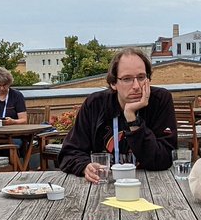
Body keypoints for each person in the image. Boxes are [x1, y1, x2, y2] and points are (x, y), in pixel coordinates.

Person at [57, 48, 177, 180]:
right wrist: (85, 166)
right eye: (127, 79)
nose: (136, 86)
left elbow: (164, 159)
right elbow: (68, 153)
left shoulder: (160, 100)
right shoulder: (95, 104)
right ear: (113, 83)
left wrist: (132, 119)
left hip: (152, 183)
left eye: (141, 77)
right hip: (104, 183)